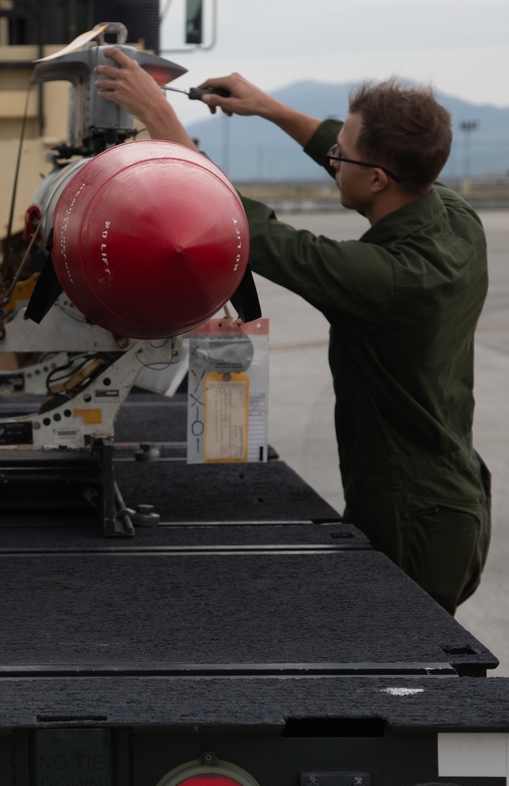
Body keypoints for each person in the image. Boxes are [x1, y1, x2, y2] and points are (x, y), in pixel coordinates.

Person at [95, 50, 490, 614]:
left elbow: (251, 230)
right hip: (450, 503)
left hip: (412, 521)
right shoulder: (454, 217)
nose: (332, 157)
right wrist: (270, 109)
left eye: (341, 155)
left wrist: (163, 120)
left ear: (377, 179)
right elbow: (354, 152)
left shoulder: (388, 282)